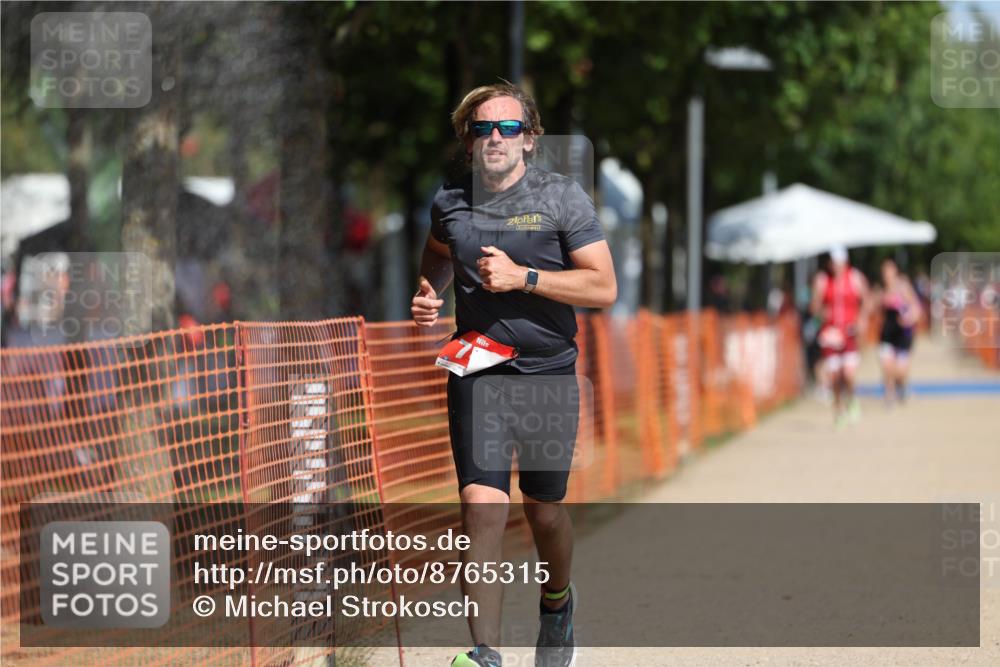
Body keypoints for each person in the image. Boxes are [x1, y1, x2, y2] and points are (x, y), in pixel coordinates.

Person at [412, 82, 616, 667]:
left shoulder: (561, 198)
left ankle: (557, 603)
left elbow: (603, 286)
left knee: (544, 510)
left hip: (548, 373)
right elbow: (438, 252)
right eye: (483, 128)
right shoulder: (450, 201)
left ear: (529, 139)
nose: (495, 138)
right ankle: (485, 654)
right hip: (479, 369)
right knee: (480, 507)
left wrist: (523, 278)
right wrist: (430, 291)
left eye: (508, 127)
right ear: (468, 141)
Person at [809, 246, 871, 427]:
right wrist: (821, 312)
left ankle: (851, 399)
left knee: (849, 375)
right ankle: (838, 411)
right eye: (833, 263)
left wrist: (861, 320)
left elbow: (867, 301)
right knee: (834, 377)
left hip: (850, 333)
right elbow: (814, 307)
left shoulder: (855, 277)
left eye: (839, 263)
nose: (836, 266)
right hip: (830, 334)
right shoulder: (822, 280)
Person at [877, 258, 922, 404]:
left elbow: (916, 307)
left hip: (903, 334)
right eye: (884, 272)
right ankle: (889, 394)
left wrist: (910, 318)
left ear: (895, 271)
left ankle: (902, 386)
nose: (887, 275)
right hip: (887, 334)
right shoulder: (881, 290)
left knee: (900, 371)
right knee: (887, 366)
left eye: (889, 271)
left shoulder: (903, 287)